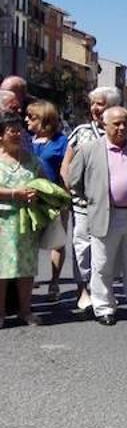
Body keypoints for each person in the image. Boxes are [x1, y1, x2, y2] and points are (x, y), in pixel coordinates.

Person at [66, 106, 127, 326]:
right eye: (116, 123)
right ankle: (104, 307)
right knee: (103, 264)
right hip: (107, 215)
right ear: (104, 125)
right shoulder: (89, 150)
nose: (122, 127)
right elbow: (74, 181)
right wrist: (94, 200)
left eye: (125, 122)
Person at [62, 86, 122, 318]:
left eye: (101, 104)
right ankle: (83, 290)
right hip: (84, 204)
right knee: (83, 247)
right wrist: (72, 190)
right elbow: (66, 166)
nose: (95, 109)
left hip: (115, 205)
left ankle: (104, 292)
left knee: (109, 249)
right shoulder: (81, 132)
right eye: (94, 104)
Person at [0, 113, 47, 326]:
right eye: (12, 131)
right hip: (3, 220)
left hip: (26, 220)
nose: (18, 134)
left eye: (20, 130)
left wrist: (39, 193)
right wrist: (14, 194)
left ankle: (25, 310)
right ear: (1, 135)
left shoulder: (31, 160)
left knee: (26, 267)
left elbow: (44, 183)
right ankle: (0, 312)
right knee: (2, 269)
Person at [27, 101, 69, 302]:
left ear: (44, 120)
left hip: (54, 198)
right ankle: (28, 282)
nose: (27, 120)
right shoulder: (26, 140)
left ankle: (54, 283)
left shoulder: (62, 142)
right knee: (28, 242)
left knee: (56, 241)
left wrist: (66, 198)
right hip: (28, 198)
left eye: (31, 117)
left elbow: (67, 171)